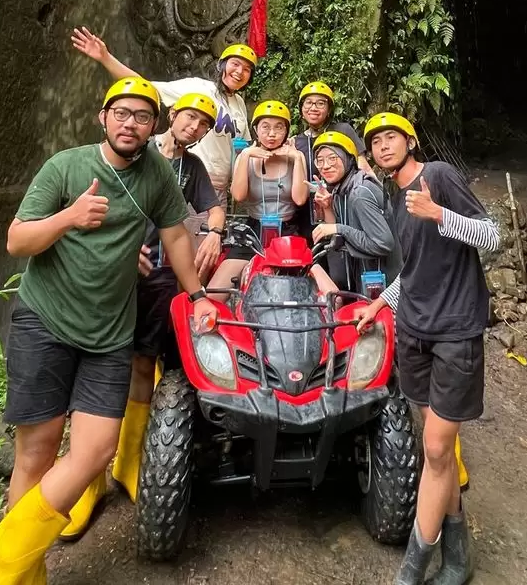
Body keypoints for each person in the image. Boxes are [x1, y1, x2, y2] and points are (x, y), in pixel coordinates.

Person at [0, 76, 216, 585]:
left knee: (95, 449)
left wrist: (198, 294)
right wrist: (69, 217)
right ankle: (20, 576)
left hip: (110, 332)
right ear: (103, 117)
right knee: (37, 452)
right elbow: (17, 240)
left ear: (153, 126)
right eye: (122, 113)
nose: (130, 123)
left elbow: (176, 235)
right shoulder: (66, 166)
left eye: (141, 117)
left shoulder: (158, 173)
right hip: (46, 321)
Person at [60, 90, 225, 540]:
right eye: (189, 118)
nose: (193, 127)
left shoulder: (190, 169)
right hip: (112, 275)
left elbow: (210, 207)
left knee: (141, 362)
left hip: (158, 279)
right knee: (94, 366)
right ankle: (85, 481)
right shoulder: (133, 146)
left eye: (203, 124)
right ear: (169, 117)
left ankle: (128, 463)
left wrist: (212, 231)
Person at [355, 112, 503, 585]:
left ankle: (412, 569)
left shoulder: (436, 176)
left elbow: (493, 236)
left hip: (456, 329)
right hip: (414, 330)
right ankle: (458, 557)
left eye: (391, 137)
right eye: (375, 141)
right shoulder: (395, 201)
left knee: (437, 449)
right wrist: (380, 302)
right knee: (438, 452)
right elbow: (412, 271)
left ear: (410, 141)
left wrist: (440, 213)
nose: (382, 146)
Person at [71, 27, 255, 200]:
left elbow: (243, 147)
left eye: (247, 69)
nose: (239, 72)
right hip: (188, 178)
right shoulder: (199, 87)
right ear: (222, 65)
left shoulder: (239, 104)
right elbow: (146, 87)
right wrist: (105, 58)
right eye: (235, 64)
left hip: (219, 190)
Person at [212, 99, 335, 296]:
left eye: (279, 128)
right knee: (214, 294)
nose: (271, 134)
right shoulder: (246, 156)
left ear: (286, 131)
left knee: (331, 293)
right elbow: (238, 195)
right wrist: (245, 156)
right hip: (252, 233)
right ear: (256, 129)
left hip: (288, 232)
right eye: (265, 127)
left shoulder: (294, 156)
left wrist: (297, 158)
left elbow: (300, 199)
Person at [309, 130, 397, 291]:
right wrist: (327, 207)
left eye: (332, 158)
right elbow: (337, 236)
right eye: (319, 161)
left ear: (348, 159)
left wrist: (339, 228)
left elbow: (382, 244)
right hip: (362, 280)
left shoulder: (359, 192)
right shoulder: (341, 189)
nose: (325, 166)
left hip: (384, 287)